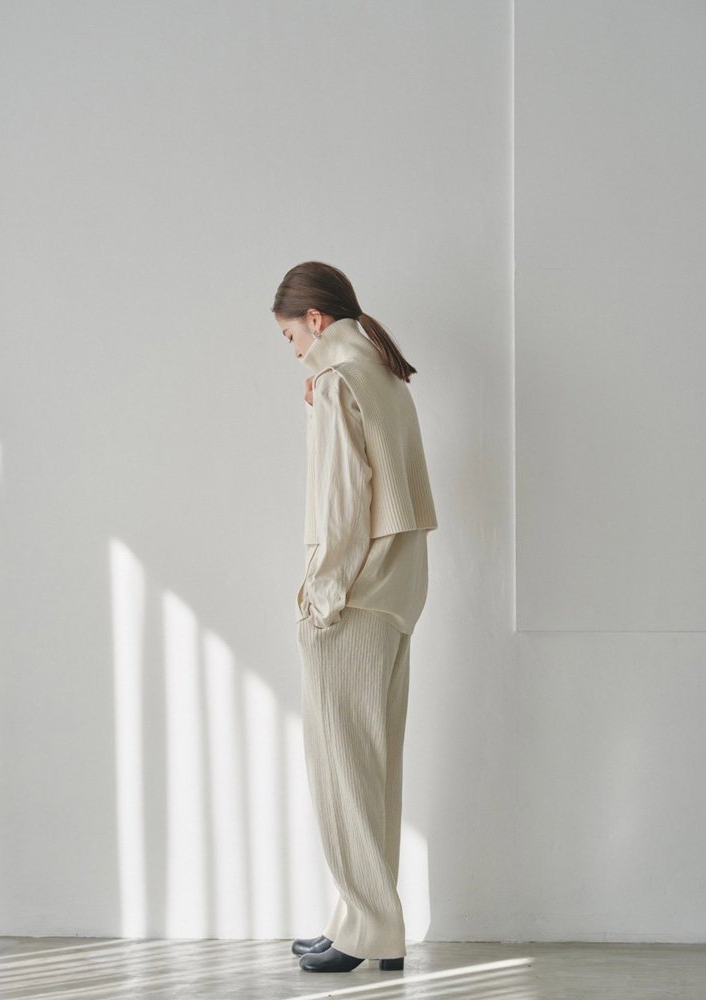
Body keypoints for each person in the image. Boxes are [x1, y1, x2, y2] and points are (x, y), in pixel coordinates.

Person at [272, 261, 438, 973]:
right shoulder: (383, 375)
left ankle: (367, 926)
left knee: (343, 772)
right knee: (374, 769)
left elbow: (343, 508)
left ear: (315, 320)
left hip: (353, 599)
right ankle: (366, 920)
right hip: (396, 595)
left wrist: (322, 598)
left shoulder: (340, 381)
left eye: (290, 337)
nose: (294, 353)